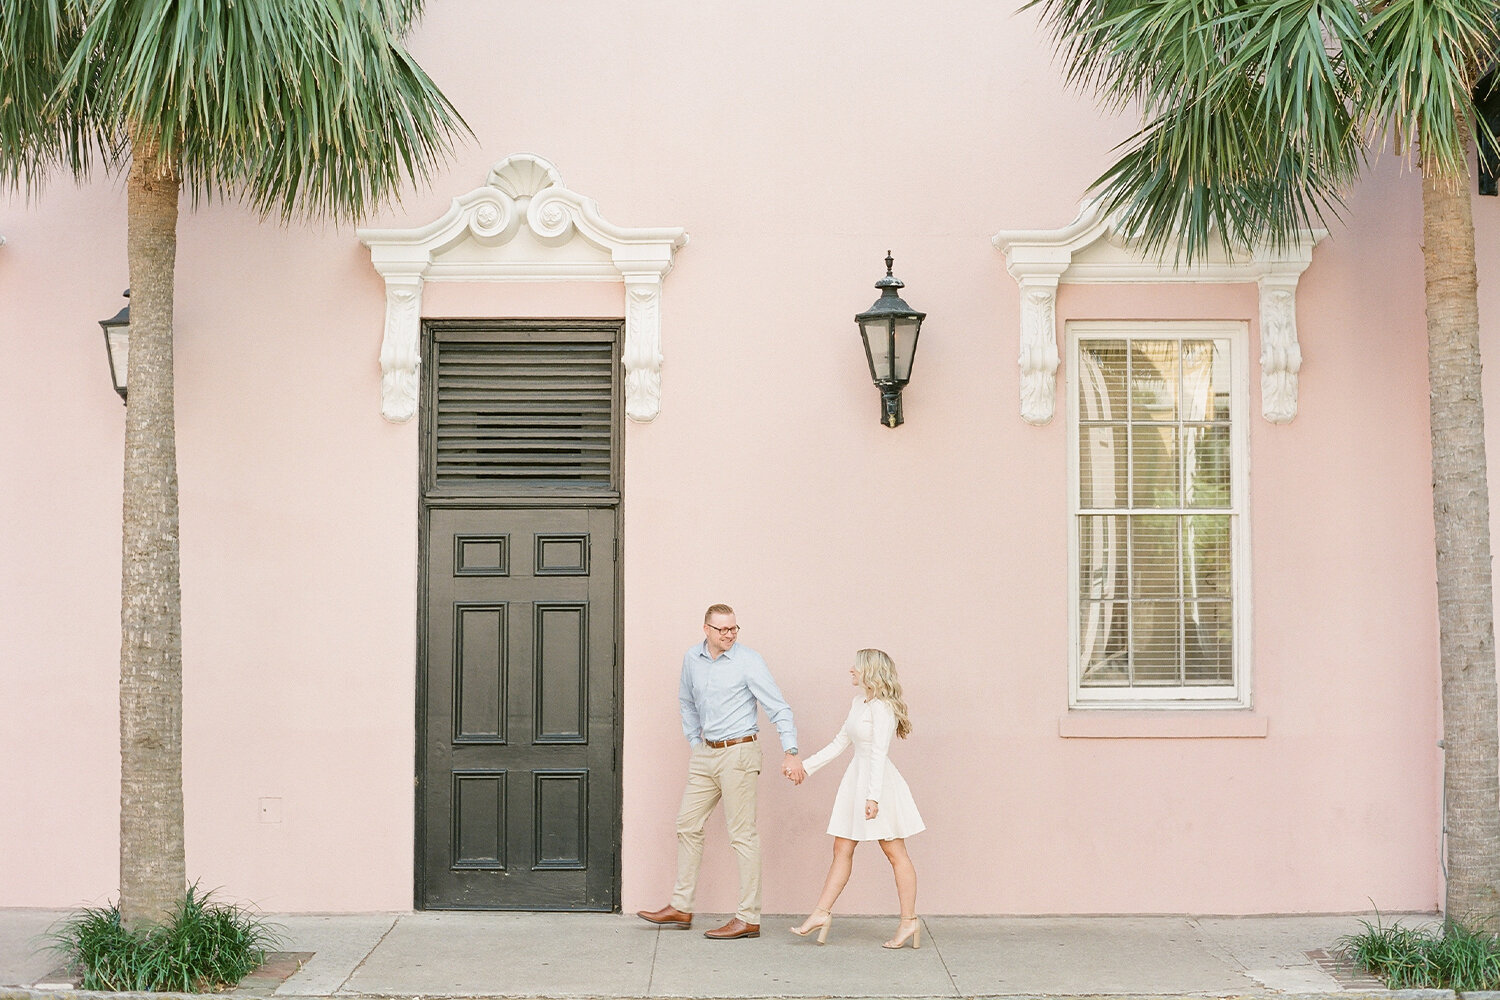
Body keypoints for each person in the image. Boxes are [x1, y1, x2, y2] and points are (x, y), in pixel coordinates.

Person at [637, 603, 805, 940]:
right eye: (722, 629)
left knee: (742, 834)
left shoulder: (749, 661)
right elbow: (686, 701)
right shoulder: (692, 659)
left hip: (739, 753)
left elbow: (778, 707)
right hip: (706, 754)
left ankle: (748, 918)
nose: (728, 635)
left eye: (733, 629)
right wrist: (693, 740)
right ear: (706, 630)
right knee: (687, 824)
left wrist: (791, 751)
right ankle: (681, 907)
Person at [788, 648, 924, 949]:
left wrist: (873, 797)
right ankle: (821, 914)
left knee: (894, 852)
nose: (851, 670)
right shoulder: (859, 703)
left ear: (870, 671)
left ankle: (909, 921)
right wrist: (805, 768)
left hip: (878, 786)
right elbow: (840, 743)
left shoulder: (883, 708)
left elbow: (879, 753)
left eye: (856, 666)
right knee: (841, 847)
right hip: (856, 781)